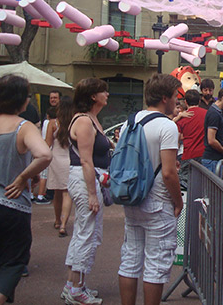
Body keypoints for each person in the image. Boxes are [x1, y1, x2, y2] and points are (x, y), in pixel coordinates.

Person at [0, 74, 52, 305]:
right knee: (14, 261)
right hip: (11, 203)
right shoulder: (23, 127)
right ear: (21, 100)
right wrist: (22, 177)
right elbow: (44, 154)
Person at [118, 73, 184, 305]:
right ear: (165, 98)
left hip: (133, 195)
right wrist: (178, 201)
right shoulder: (167, 126)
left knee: (130, 258)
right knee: (156, 263)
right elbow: (168, 172)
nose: (178, 101)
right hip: (157, 200)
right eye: (176, 96)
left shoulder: (131, 121)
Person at [62, 78, 111, 305]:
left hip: (87, 180)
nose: (107, 95)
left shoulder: (91, 119)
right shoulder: (83, 121)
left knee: (85, 232)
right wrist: (92, 193)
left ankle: (74, 284)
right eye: (104, 91)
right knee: (86, 234)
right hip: (84, 181)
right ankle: (75, 289)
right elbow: (85, 160)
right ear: (93, 96)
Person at [46, 96, 74, 237]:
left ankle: (57, 220)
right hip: (70, 159)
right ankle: (64, 224)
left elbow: (47, 144)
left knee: (57, 193)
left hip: (55, 159)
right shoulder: (74, 123)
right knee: (67, 192)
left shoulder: (53, 123)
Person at [176, 89, 207, 189]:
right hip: (204, 154)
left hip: (187, 154)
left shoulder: (182, 117)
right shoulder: (207, 114)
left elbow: (176, 139)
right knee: (202, 186)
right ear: (199, 101)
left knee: (185, 186)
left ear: (185, 102)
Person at [201, 86, 223, 173]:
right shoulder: (214, 114)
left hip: (214, 160)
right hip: (212, 160)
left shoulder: (218, 112)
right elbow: (211, 140)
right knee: (211, 186)